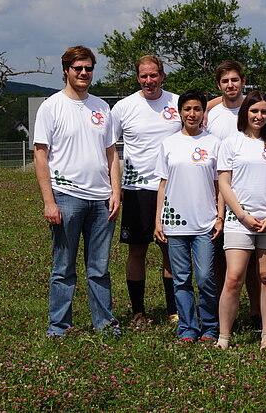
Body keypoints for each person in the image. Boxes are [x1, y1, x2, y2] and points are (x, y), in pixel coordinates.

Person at [34, 45, 122, 337]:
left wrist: (115, 191)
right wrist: (49, 201)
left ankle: (105, 325)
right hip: (66, 196)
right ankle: (59, 327)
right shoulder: (52, 106)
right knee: (63, 268)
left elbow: (111, 153)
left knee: (99, 268)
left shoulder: (102, 107)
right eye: (78, 68)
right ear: (66, 71)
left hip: (101, 200)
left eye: (88, 68)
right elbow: (41, 155)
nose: (84, 73)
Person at [110, 55, 179, 325]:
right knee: (137, 251)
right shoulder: (124, 107)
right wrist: (115, 186)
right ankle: (138, 311)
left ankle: (174, 310)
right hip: (136, 189)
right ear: (138, 78)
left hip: (172, 189)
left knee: (170, 251)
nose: (149, 81)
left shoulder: (176, 103)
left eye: (154, 75)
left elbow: (203, 112)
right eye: (144, 76)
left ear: (162, 75)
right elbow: (108, 148)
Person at [216, 91, 266, 350]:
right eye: (254, 111)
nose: (259, 116)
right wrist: (242, 216)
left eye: (264, 112)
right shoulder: (231, 143)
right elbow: (224, 184)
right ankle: (224, 337)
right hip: (239, 222)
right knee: (234, 277)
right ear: (245, 113)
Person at [155, 90, 222, 342]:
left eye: (197, 109)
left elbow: (220, 185)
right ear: (180, 112)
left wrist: (220, 217)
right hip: (175, 223)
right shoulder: (169, 143)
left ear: (204, 112)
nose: (192, 114)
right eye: (187, 109)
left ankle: (210, 326)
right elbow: (163, 184)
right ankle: (187, 328)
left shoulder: (214, 143)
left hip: (205, 222)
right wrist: (158, 219)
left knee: (205, 278)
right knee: (181, 279)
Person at [205, 60, 263, 331]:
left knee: (254, 263)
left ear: (243, 81)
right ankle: (224, 314)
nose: (231, 85)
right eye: (225, 81)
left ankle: (256, 312)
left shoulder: (253, 108)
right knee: (222, 258)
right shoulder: (211, 113)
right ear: (219, 85)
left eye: (235, 80)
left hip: (249, 193)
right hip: (216, 189)